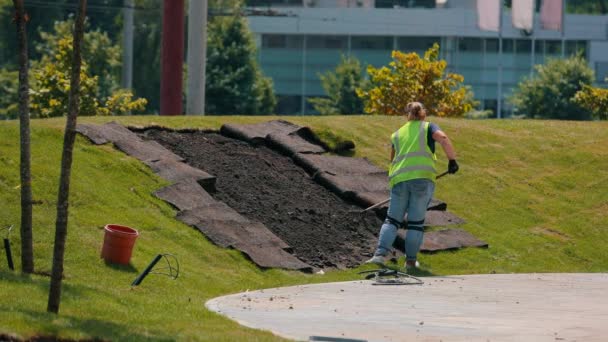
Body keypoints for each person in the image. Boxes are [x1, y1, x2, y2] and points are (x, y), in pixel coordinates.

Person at [366, 101, 459, 270]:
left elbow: (392, 159)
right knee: (415, 223)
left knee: (392, 220)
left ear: (406, 114)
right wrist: (452, 160)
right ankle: (410, 262)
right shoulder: (428, 127)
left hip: (400, 180)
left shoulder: (397, 134)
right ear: (423, 113)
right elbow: (443, 138)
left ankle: (379, 256)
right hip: (422, 180)